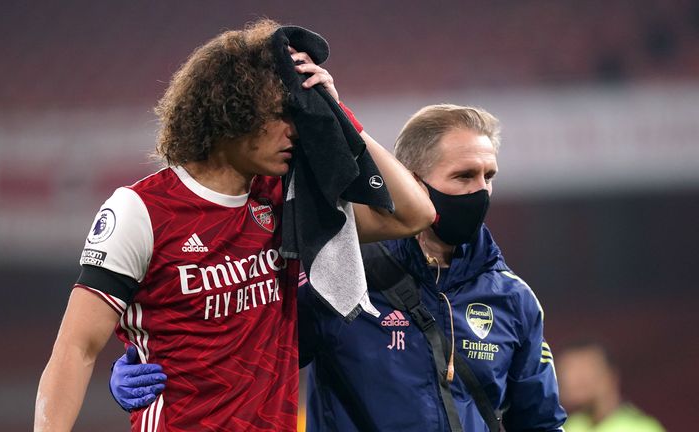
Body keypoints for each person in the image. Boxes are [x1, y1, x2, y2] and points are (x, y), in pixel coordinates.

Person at [34, 19, 435, 432]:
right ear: (232, 111)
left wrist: (340, 113)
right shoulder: (141, 211)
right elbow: (76, 349)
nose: (294, 131)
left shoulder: (286, 199)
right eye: (280, 115)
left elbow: (412, 214)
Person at [111, 103, 567, 431]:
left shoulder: (514, 299)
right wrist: (147, 368)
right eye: (464, 177)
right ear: (410, 180)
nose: (481, 192)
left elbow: (541, 422)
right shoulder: (341, 274)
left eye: (489, 176)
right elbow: (242, 353)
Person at [558, 342, 665, 432]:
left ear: (609, 376)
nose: (570, 380)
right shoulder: (571, 426)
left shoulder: (641, 429)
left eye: (581, 371)